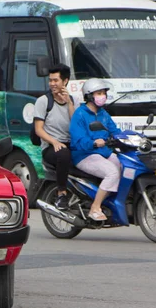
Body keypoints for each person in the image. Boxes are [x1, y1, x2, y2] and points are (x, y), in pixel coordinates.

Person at [70, 78, 122, 221]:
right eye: (98, 93)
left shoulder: (103, 114)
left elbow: (115, 130)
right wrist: (93, 143)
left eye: (103, 93)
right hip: (85, 155)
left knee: (122, 165)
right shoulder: (79, 114)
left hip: (104, 153)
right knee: (112, 173)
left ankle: (109, 201)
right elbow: (78, 140)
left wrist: (129, 137)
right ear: (89, 96)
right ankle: (95, 207)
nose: (102, 96)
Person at [34, 63, 77, 210]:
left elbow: (75, 125)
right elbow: (38, 129)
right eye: (50, 80)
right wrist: (54, 142)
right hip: (51, 146)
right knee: (63, 154)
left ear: (65, 81)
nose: (52, 84)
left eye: (55, 80)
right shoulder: (43, 101)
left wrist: (69, 103)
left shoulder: (74, 100)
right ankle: (61, 194)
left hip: (71, 143)